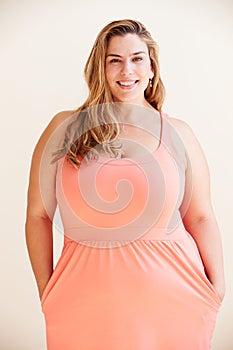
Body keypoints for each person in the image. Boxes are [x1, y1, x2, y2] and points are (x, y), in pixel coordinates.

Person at [25, 19, 225, 350]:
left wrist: (216, 288)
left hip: (175, 300)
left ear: (151, 68)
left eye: (136, 59)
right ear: (99, 68)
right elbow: (38, 215)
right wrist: (47, 290)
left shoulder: (179, 133)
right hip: (81, 302)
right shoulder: (66, 127)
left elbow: (201, 216)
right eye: (114, 60)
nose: (126, 70)